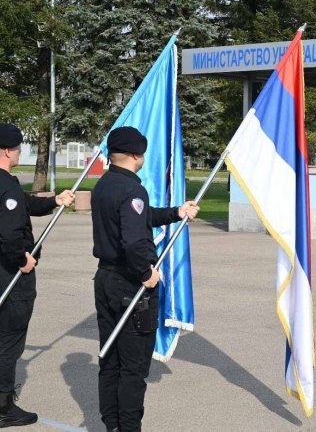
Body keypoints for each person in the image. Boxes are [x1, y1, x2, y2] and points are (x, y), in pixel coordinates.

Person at [91, 127, 199, 432]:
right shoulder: (132, 189)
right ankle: (128, 427)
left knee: (110, 359)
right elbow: (135, 241)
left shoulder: (105, 185)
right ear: (137, 155)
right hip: (130, 284)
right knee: (133, 367)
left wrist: (177, 212)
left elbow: (142, 217)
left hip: (106, 278)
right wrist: (146, 275)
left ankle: (112, 424)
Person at [0, 123, 74, 427]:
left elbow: (25, 203)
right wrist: (22, 260)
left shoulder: (9, 184)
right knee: (9, 340)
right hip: (10, 276)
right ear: (7, 150)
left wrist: (54, 201)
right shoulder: (5, 185)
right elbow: (9, 231)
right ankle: (3, 406)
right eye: (17, 147)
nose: (19, 152)